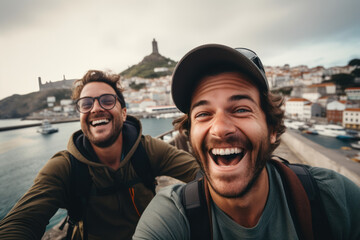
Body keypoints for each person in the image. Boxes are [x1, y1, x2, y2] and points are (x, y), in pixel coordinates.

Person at [133, 44, 360, 239]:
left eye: (241, 109)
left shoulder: (335, 199)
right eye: (203, 114)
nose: (220, 129)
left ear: (272, 129)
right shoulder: (170, 218)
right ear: (190, 137)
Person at [0, 70, 199, 239]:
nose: (96, 108)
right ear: (80, 116)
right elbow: (21, 221)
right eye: (86, 104)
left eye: (107, 100)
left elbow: (200, 173)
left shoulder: (146, 149)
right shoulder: (65, 167)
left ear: (123, 113)